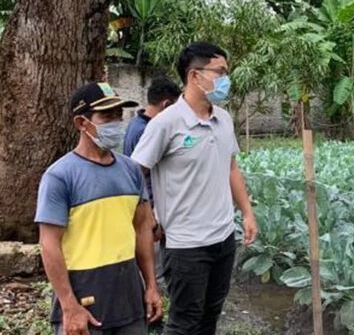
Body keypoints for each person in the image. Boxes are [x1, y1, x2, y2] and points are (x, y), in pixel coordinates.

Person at [131, 42, 258, 335]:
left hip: (223, 237)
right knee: (185, 321)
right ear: (194, 76)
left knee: (210, 315)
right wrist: (146, 214)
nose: (226, 79)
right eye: (220, 72)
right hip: (186, 244)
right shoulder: (166, 123)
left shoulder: (223, 119)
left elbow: (231, 168)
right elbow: (135, 172)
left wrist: (247, 213)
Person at [35, 82, 163, 335]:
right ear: (82, 123)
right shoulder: (60, 176)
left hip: (129, 297)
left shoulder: (131, 170)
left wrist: (150, 285)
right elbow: (49, 245)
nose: (116, 122)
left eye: (118, 115)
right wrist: (69, 306)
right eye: (107, 116)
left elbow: (142, 229)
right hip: (85, 298)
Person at [123, 76, 181, 333]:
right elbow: (140, 177)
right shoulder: (147, 129)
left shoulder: (137, 124)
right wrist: (152, 216)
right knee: (153, 273)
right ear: (167, 104)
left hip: (147, 210)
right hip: (149, 213)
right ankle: (152, 320)